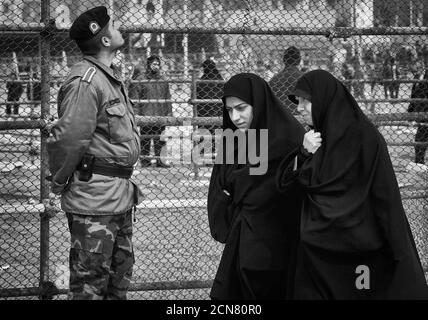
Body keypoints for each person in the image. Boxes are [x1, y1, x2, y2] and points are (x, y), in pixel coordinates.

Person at [276, 69, 428, 300]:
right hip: (316, 249)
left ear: (325, 100)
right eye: (299, 101)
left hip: (359, 248)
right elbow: (287, 187)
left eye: (306, 101)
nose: (299, 108)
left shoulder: (367, 140)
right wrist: (303, 153)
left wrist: (395, 248)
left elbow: (384, 196)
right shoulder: (314, 140)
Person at [46, 6, 143, 300]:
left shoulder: (107, 77)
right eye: (114, 26)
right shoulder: (86, 82)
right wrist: (59, 181)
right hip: (94, 203)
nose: (120, 28)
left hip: (118, 197)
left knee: (118, 283)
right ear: (103, 39)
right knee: (90, 288)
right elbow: (69, 138)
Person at [207, 73, 305, 300]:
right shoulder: (236, 139)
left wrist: (240, 186)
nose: (235, 117)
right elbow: (220, 186)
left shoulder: (288, 137)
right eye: (230, 110)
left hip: (280, 243)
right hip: (244, 238)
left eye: (241, 108)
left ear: (258, 104)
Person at [128, 55, 172, 167]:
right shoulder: (141, 79)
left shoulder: (163, 80)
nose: (156, 66)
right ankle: (145, 160)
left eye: (158, 64)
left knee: (160, 140)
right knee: (145, 140)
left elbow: (168, 97)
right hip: (145, 114)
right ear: (148, 65)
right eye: (154, 64)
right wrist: (136, 114)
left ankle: (160, 161)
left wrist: (169, 112)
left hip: (160, 114)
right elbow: (135, 99)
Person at [194, 59, 224, 162]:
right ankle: (215, 156)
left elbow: (197, 95)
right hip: (218, 112)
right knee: (216, 134)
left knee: (205, 134)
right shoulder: (220, 80)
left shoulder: (201, 81)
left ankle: (205, 157)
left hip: (204, 112)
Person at [269, 46, 303, 115]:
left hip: (279, 115)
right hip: (300, 116)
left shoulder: (274, 80)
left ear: (284, 60)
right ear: (299, 60)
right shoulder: (305, 78)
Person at [408, 68, 428, 165]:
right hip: (422, 113)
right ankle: (419, 160)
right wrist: (411, 111)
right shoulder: (418, 79)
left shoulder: (423, 80)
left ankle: (419, 160)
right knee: (421, 136)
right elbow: (413, 95)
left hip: (424, 111)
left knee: (421, 136)